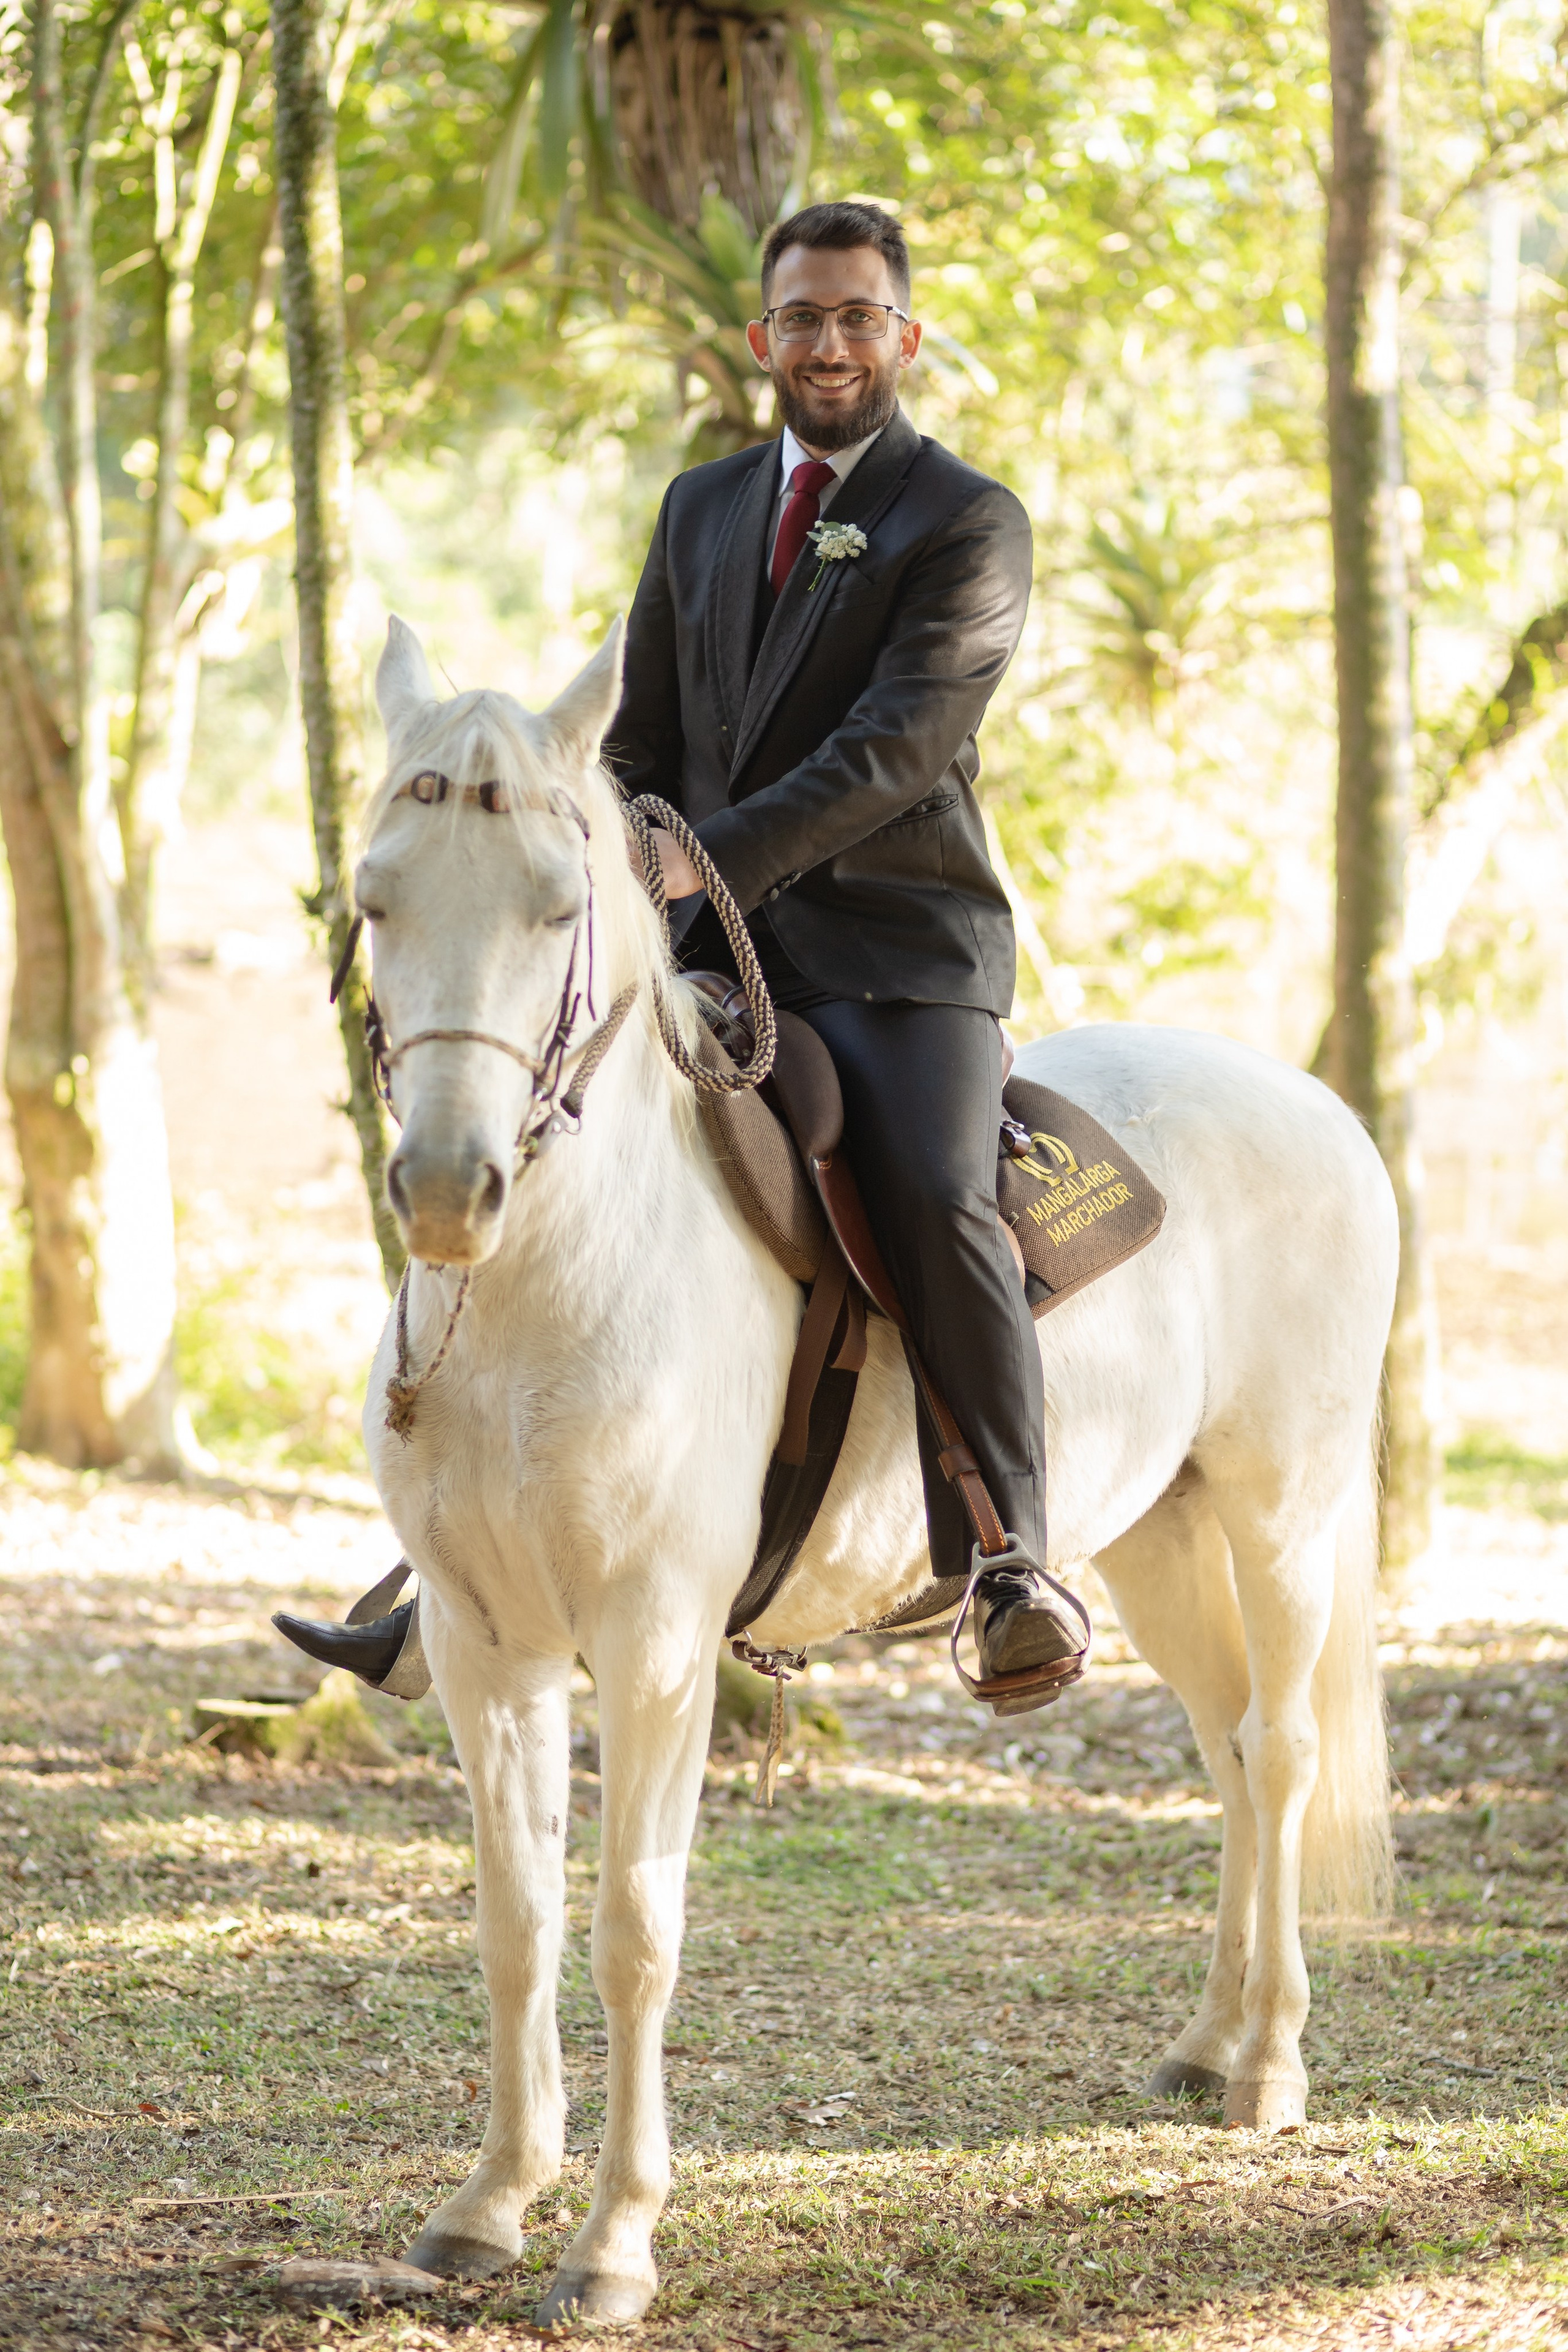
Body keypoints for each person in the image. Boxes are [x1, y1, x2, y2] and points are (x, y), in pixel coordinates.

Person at [609, 199, 1085, 1705]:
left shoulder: (964, 520)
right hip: (697, 940)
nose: (827, 344)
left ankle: (1012, 1557)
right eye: (801, 318)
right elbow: (640, 738)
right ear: (763, 338)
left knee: (941, 1197)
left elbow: (895, 751)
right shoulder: (696, 507)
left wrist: (708, 857)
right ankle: (456, 1550)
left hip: (896, 949)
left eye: (856, 317)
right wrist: (622, 856)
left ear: (903, 335)